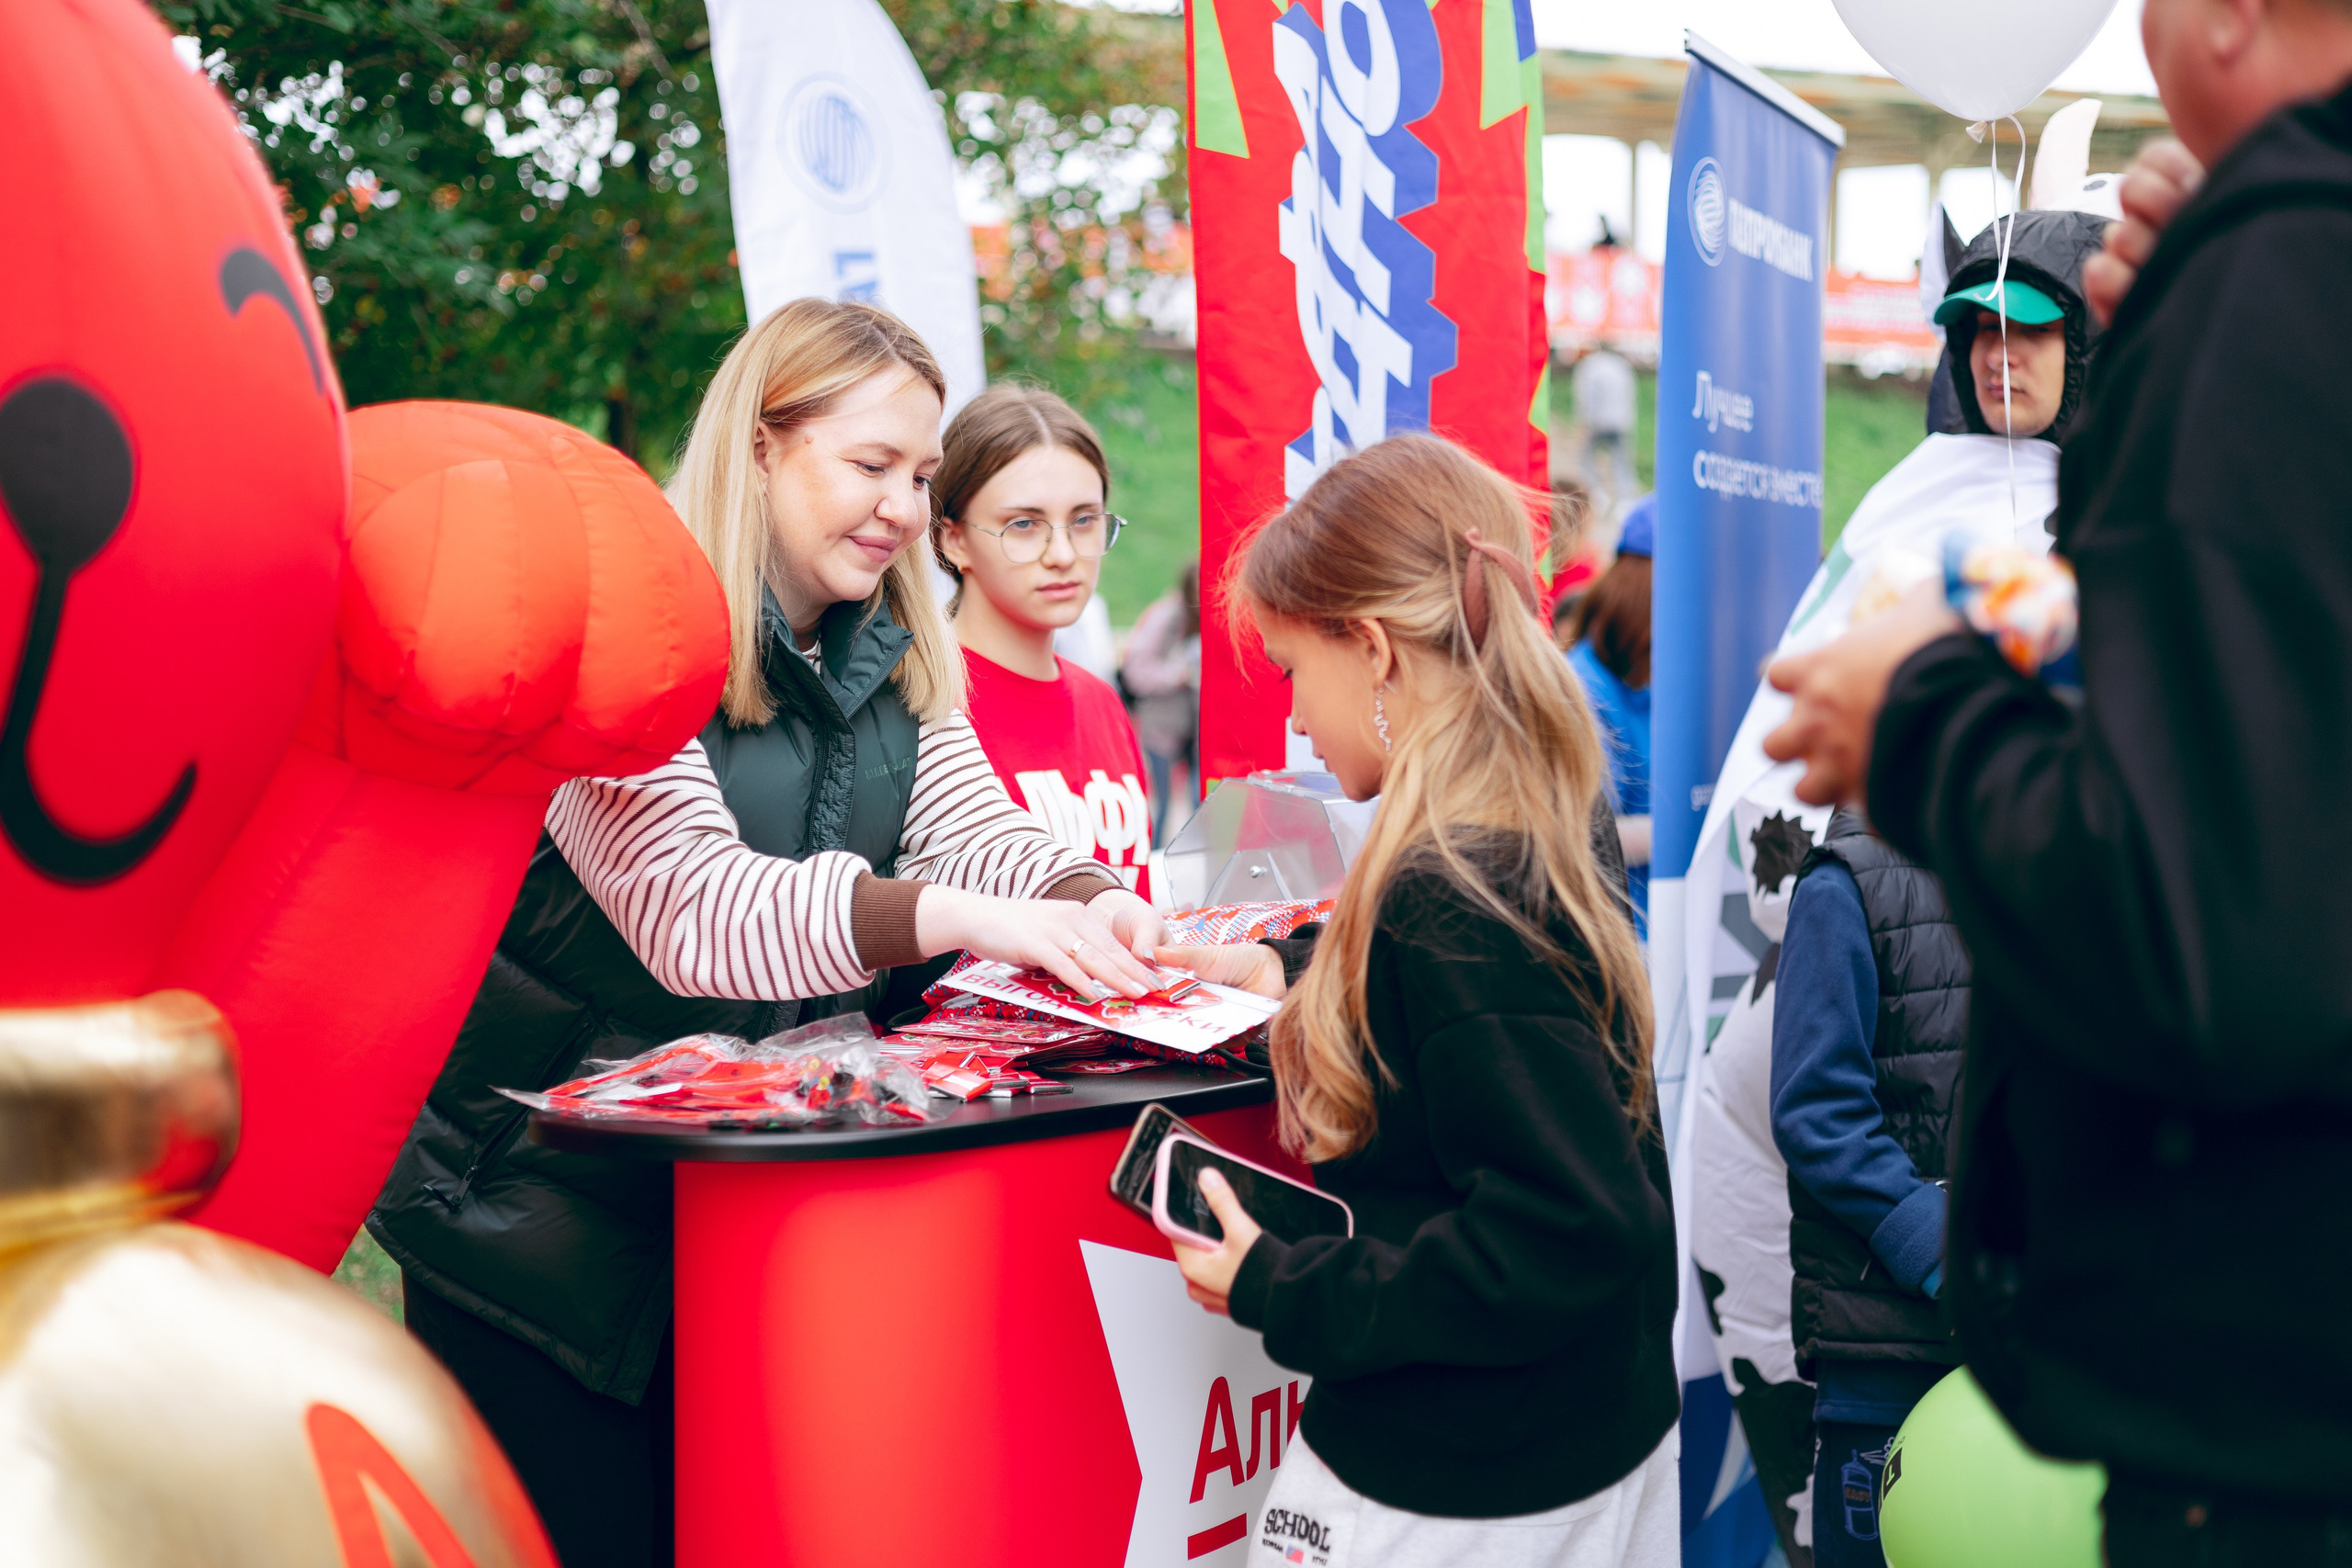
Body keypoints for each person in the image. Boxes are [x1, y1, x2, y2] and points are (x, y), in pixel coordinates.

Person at [368, 299, 1167, 1568]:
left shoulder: (891, 645)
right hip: (532, 1221)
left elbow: (978, 832)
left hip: (729, 1212)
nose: (902, 508)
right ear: (758, 445)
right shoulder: (629, 633)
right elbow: (694, 910)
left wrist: (1090, 901)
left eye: (921, 475)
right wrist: (959, 918)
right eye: (870, 465)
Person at [1763, 1, 2352, 1558]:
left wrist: (1927, 711)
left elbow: (2223, 914)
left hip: (2269, 1392)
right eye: (1985, 333)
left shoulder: (2293, 265)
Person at [1155, 434, 1680, 1566]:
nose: (1297, 719)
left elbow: (1570, 1226)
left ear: (1373, 647)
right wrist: (1296, 969)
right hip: (1586, 1440)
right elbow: (1496, 1034)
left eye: (1292, 671)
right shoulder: (1537, 821)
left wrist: (1285, 1285)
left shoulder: (1449, 895)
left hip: (1460, 1483)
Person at [1771, 809, 1970, 1568]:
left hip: (2027, 1345)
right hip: (1889, 1353)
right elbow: (1816, 1110)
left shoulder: (2026, 861)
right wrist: (1939, 1247)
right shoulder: (1843, 881)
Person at [931, 383, 1154, 900]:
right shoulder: (923, 706)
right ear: (954, 538)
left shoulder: (1103, 703)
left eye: (1084, 520)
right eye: (1024, 524)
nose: (1063, 554)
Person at [1567, 497, 1653, 936]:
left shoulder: (1651, 681)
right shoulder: (1582, 690)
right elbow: (1578, 838)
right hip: (1621, 931)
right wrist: (1681, 831)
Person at [1120, 559, 1201, 847]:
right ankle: (1150, 859)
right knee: (1159, 806)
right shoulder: (1165, 618)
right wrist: (1179, 674)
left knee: (1200, 801)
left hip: (1197, 729)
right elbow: (1135, 672)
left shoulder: (1209, 617)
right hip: (1161, 727)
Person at [1572, 347, 1637, 511]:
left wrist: (1584, 423)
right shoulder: (1621, 365)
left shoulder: (1589, 367)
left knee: (1586, 458)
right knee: (1620, 460)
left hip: (1597, 421)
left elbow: (1586, 397)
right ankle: (1624, 500)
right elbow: (1631, 394)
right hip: (1621, 420)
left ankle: (1596, 494)